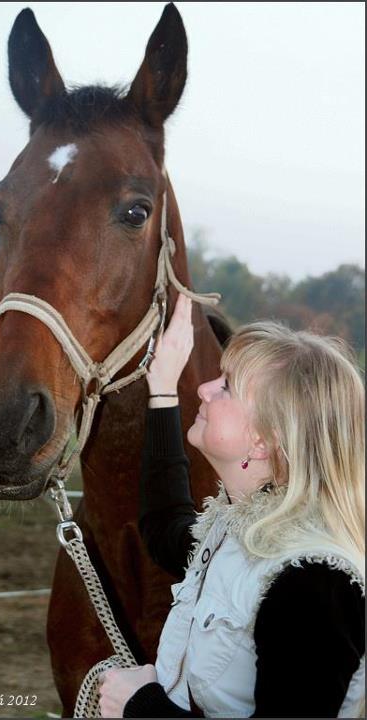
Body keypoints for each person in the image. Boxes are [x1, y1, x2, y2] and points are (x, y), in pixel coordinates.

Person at [98, 293, 365, 718]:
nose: (204, 388)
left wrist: (140, 706)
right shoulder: (238, 528)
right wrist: (163, 388)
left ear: (265, 440)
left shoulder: (314, 581)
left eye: (226, 387)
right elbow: (164, 525)